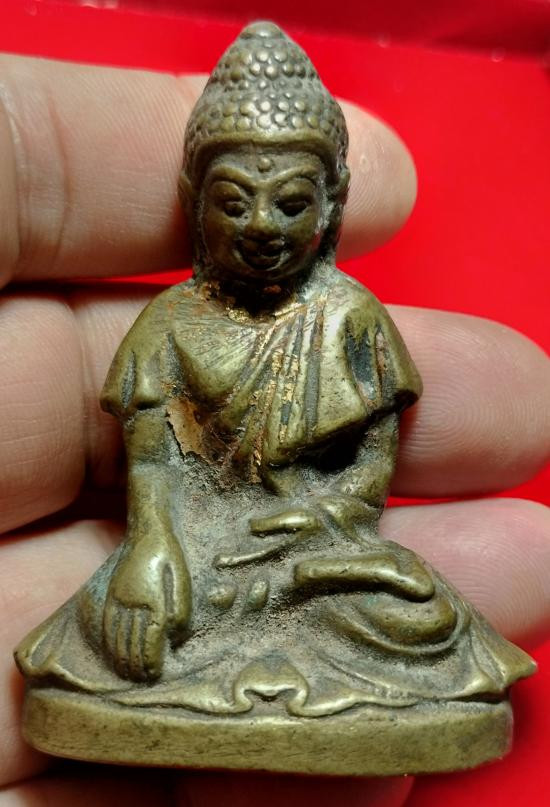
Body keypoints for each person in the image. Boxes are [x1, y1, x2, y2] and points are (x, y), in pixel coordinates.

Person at [1, 25, 549, 807]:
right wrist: (150, 548)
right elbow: (152, 461)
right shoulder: (170, 323)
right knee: (125, 616)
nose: (262, 226)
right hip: (197, 556)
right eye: (234, 202)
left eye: (291, 202)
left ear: (334, 202)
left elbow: (371, 463)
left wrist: (323, 516)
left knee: (416, 610)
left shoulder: (350, 318)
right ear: (194, 202)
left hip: (314, 553)